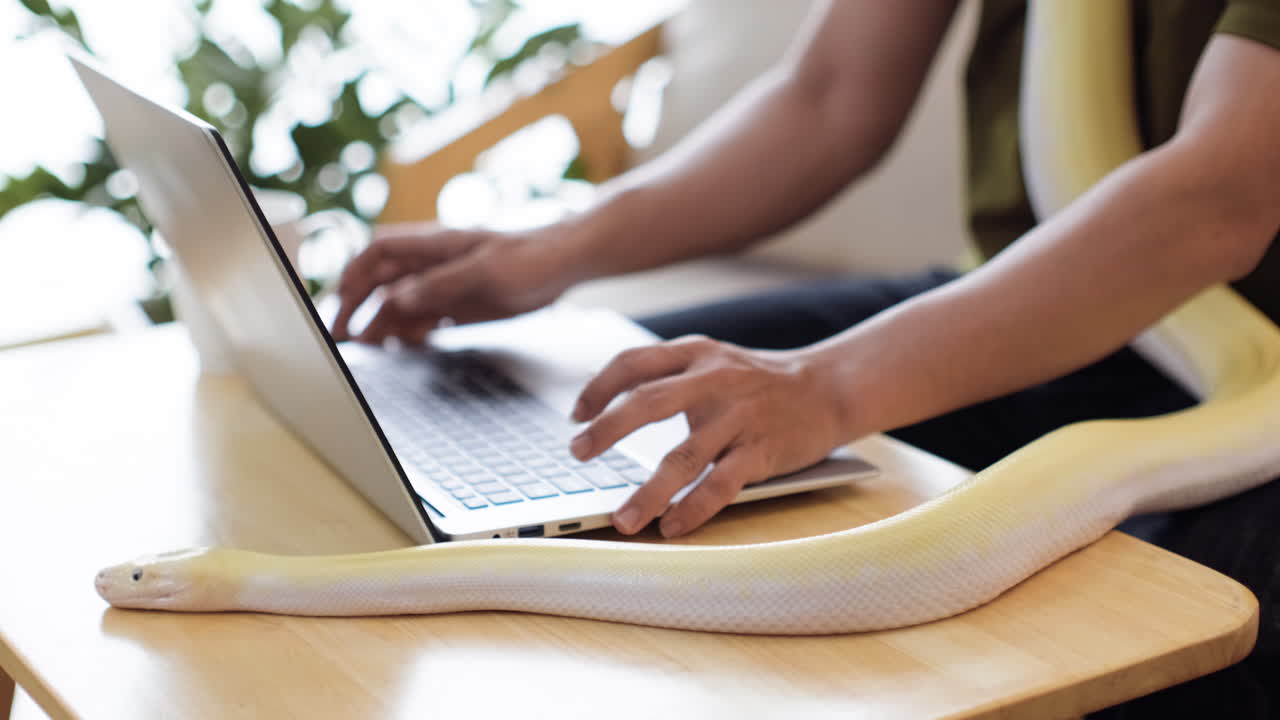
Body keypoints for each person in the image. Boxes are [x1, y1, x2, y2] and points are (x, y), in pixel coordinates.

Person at [331, 2, 1280, 715]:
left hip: (1251, 364)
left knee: (1140, 649)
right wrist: (551, 251)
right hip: (1024, 293)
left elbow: (1221, 197)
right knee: (609, 392)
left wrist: (827, 387)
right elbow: (831, 97)